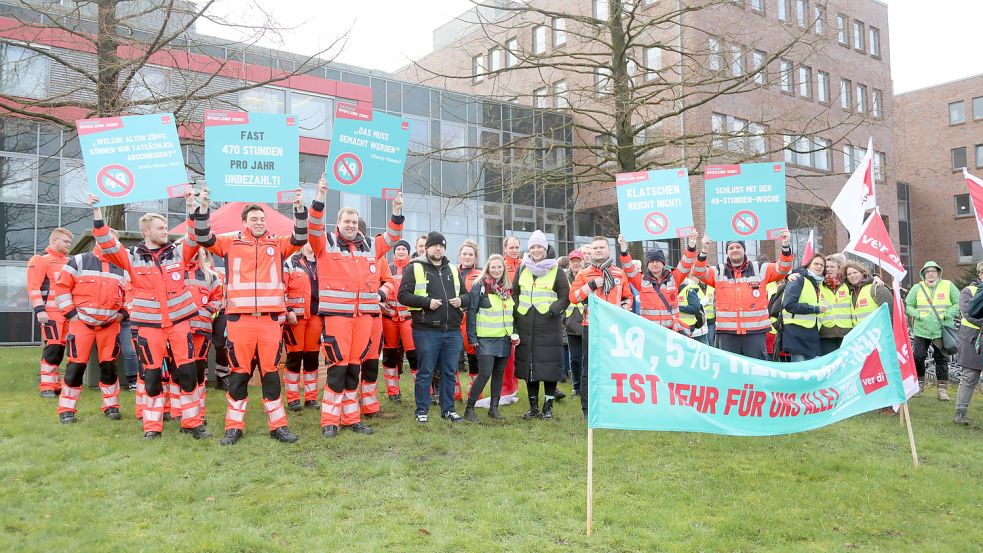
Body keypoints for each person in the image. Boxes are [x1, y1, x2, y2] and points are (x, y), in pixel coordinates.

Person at [89, 189, 208, 439]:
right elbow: (106, 243)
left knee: (188, 375)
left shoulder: (177, 252)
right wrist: (97, 210)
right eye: (161, 227)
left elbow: (195, 234)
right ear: (147, 232)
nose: (165, 231)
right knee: (152, 376)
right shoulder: (131, 258)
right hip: (149, 327)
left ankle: (193, 423)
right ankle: (152, 428)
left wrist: (190, 204)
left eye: (165, 227)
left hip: (179, 324)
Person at [194, 187, 307, 445]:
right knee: (240, 374)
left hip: (269, 321)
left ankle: (278, 426)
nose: (259, 223)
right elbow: (202, 235)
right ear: (243, 222)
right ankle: (234, 427)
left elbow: (300, 236)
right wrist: (202, 206)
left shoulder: (277, 243)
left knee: (270, 375)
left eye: (262, 219)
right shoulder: (230, 241)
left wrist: (300, 207)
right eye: (254, 219)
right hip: (240, 321)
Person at [308, 179, 403, 438]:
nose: (350, 226)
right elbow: (313, 226)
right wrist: (320, 197)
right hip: (337, 318)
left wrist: (396, 211)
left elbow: (393, 237)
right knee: (337, 367)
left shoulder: (370, 245)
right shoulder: (324, 243)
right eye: (346, 222)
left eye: (353, 221)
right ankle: (330, 419)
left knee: (354, 367)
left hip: (363, 318)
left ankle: (351, 418)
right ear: (338, 224)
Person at [51, 229, 128, 424]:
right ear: (98, 240)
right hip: (81, 325)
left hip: (110, 326)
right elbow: (61, 288)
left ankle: (111, 406)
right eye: (108, 240)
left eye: (114, 241)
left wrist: (123, 314)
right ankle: (67, 409)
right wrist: (71, 315)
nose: (111, 244)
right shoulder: (78, 261)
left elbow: (132, 293)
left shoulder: (123, 267)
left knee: (110, 368)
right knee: (75, 367)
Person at [397, 231, 470, 423]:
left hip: (452, 330)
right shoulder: (415, 268)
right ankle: (422, 410)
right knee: (426, 371)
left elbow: (467, 295)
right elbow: (402, 295)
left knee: (449, 371)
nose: (438, 248)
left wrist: (461, 300)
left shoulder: (453, 270)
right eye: (435, 245)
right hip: (426, 330)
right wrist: (427, 302)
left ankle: (448, 409)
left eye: (441, 246)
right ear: (427, 247)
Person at [692, 231, 793, 359]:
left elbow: (783, 268)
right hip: (727, 334)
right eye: (731, 248)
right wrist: (705, 249)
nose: (735, 250)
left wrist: (785, 245)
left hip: (755, 333)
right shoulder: (718, 271)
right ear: (727, 252)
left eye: (738, 247)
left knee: (755, 371)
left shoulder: (760, 268)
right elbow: (698, 272)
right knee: (729, 371)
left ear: (744, 250)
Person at [569, 236, 634, 418]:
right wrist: (590, 286)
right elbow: (573, 297)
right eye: (595, 248)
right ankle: (587, 410)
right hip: (592, 326)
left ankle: (611, 406)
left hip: (613, 327)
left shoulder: (619, 274)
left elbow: (628, 297)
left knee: (613, 368)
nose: (598, 251)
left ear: (609, 250)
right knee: (589, 369)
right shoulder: (584, 273)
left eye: (601, 248)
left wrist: (624, 308)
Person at [512, 230, 570, 420]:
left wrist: (553, 310)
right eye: (533, 247)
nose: (536, 250)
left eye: (539, 247)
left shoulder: (557, 270)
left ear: (545, 249)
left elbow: (565, 297)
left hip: (549, 326)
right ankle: (533, 408)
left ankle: (548, 408)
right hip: (526, 326)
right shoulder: (522, 269)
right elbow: (514, 293)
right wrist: (517, 313)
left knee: (549, 368)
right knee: (530, 368)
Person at [463, 254, 517, 422]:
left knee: (499, 374)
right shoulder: (479, 286)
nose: (496, 270)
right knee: (485, 373)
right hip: (485, 339)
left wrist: (515, 333)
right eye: (493, 267)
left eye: (499, 267)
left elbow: (510, 314)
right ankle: (469, 409)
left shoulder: (507, 289)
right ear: (488, 268)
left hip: (504, 339)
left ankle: (494, 408)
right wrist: (472, 337)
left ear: (503, 269)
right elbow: (471, 312)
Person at [616, 232, 698, 334]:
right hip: (650, 332)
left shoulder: (674, 277)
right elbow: (628, 268)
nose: (655, 264)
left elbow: (686, 263)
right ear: (647, 264)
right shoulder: (640, 280)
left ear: (663, 263)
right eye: (651, 261)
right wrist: (624, 249)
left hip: (671, 331)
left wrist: (691, 244)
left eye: (658, 261)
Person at [27, 227, 73, 398]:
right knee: (52, 348)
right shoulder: (40, 260)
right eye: (66, 242)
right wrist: (40, 310)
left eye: (70, 242)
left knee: (62, 349)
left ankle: (56, 384)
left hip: (68, 313)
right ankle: (47, 386)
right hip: (51, 313)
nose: (69, 245)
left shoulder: (69, 262)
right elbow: (33, 287)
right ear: (55, 241)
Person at [905, 261, 960, 400]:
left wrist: (948, 314)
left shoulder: (948, 285)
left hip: (941, 330)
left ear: (938, 272)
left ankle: (942, 390)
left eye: (933, 271)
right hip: (921, 330)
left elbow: (958, 302)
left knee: (941, 358)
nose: (930, 273)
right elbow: (909, 304)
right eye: (927, 271)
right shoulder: (917, 288)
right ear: (923, 274)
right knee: (918, 356)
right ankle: (919, 385)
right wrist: (917, 315)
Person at [183, 248, 223, 423]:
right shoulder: (175, 272)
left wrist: (208, 310)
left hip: (202, 328)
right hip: (179, 329)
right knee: (180, 372)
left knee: (199, 371)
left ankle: (199, 412)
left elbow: (218, 298)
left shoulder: (210, 275)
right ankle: (179, 411)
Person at [282, 243, 322, 411]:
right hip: (295, 318)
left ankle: (311, 398)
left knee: (312, 358)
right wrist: (287, 309)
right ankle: (292, 399)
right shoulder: (290, 263)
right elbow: (281, 288)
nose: (310, 244)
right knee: (294, 357)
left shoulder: (323, 262)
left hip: (316, 316)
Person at [381, 239, 417, 403]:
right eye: (398, 249)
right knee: (389, 354)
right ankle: (393, 392)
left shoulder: (414, 268)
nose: (401, 251)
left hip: (407, 317)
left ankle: (422, 389)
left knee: (413, 353)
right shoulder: (387, 267)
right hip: (389, 317)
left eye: (404, 249)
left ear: (408, 252)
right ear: (394, 252)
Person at [780, 255, 826, 362]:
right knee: (798, 368)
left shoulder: (818, 284)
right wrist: (815, 309)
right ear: (809, 265)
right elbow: (789, 305)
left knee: (813, 366)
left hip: (811, 332)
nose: (819, 267)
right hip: (795, 332)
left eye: (822, 265)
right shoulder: (798, 279)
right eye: (816, 264)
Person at [955, 262, 983, 425]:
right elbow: (969, 314)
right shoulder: (968, 291)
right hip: (972, 341)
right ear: (980, 275)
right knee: (969, 377)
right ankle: (960, 413)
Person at [456, 240, 482, 401]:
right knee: (451, 359)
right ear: (459, 255)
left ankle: (475, 394)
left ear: (475, 257)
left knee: (474, 360)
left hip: (472, 322)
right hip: (454, 321)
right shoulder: (451, 272)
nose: (467, 257)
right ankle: (454, 393)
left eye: (470, 254)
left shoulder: (480, 275)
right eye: (464, 254)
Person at [818, 253, 852, 355]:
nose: (828, 269)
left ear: (839, 269)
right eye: (826, 267)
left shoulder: (848, 283)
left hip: (847, 333)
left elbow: (862, 277)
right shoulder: (818, 284)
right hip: (826, 333)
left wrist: (876, 277)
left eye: (832, 267)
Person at [563, 250, 586, 396]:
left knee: (587, 359)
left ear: (583, 262)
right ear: (570, 263)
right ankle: (576, 387)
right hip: (570, 322)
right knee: (575, 359)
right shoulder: (564, 278)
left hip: (587, 322)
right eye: (573, 261)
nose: (576, 263)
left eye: (578, 261)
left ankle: (587, 386)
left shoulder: (588, 275)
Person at [678, 275, 710, 344]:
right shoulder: (688, 288)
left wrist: (678, 307)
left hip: (696, 328)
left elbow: (695, 307)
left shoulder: (689, 289)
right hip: (686, 327)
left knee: (703, 350)